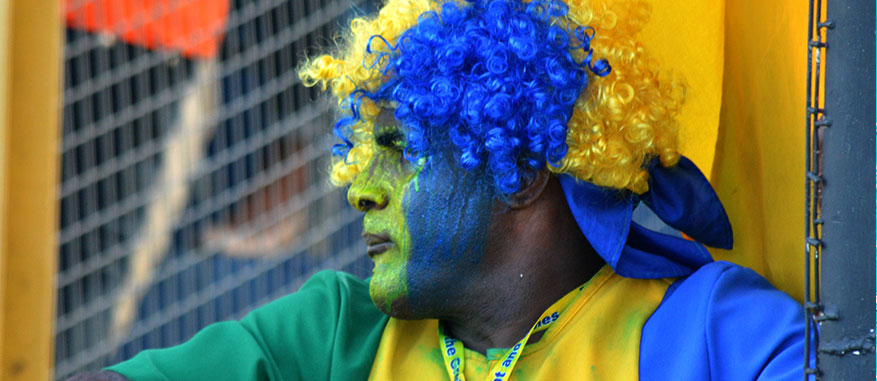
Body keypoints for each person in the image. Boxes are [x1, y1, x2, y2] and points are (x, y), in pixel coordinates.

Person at [73, 0, 807, 379]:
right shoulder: (341, 330)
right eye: (358, 153)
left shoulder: (705, 332)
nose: (358, 189)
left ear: (517, 174)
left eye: (395, 151)